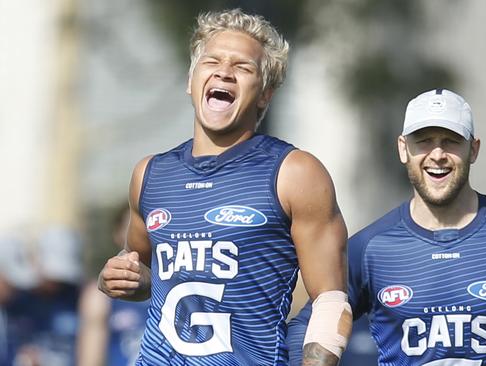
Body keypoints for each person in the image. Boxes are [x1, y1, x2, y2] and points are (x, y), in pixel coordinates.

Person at [97, 8, 351, 366]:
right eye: (212, 61)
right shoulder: (149, 173)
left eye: (243, 67)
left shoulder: (295, 172)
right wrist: (119, 279)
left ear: (265, 95)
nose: (224, 72)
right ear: (191, 80)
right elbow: (146, 277)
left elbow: (330, 299)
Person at [288, 88, 486, 365]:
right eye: (424, 141)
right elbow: (307, 323)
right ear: (403, 148)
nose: (437, 155)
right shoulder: (371, 248)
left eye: (450, 141)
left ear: (473, 149)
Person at [77, 203, 150, 365]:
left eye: (145, 226)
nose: (139, 234)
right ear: (117, 234)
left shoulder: (174, 285)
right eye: (130, 228)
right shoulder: (99, 296)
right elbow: (90, 359)